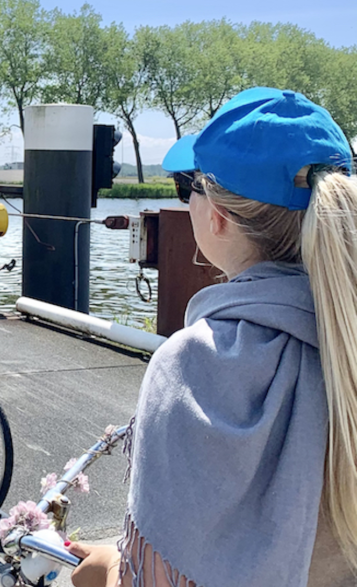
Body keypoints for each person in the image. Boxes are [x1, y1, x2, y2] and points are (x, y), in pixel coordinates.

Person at [68, 88, 357, 587]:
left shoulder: (192, 365)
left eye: (189, 187)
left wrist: (105, 566)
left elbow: (153, 580)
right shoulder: (342, 344)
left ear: (217, 217)